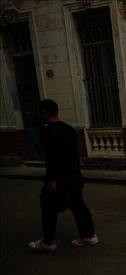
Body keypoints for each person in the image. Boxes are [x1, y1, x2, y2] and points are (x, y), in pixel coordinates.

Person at [29, 99, 98, 252]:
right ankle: (89, 235)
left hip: (60, 177)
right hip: (75, 175)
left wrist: (51, 179)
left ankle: (48, 241)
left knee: (48, 206)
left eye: (40, 111)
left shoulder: (48, 132)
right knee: (78, 204)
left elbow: (51, 157)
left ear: (44, 112)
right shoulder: (68, 129)